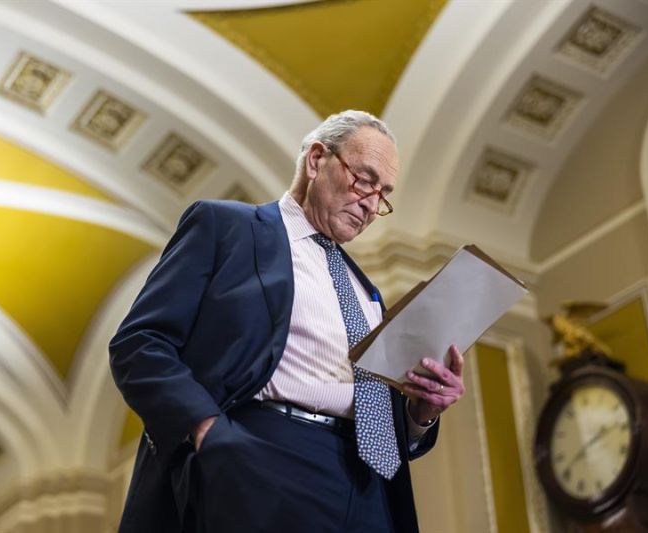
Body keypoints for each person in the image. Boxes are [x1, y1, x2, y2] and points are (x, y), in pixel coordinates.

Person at [109, 110, 465, 533]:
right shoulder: (228, 227)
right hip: (265, 456)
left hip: (372, 485)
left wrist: (419, 415)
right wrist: (207, 430)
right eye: (365, 180)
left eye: (383, 193)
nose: (371, 204)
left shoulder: (365, 289)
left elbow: (372, 399)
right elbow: (139, 343)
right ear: (316, 160)